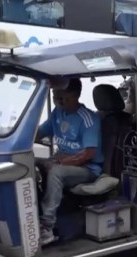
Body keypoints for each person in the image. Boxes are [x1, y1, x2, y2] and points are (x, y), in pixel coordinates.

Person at [35, 78, 103, 245]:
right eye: (55, 95)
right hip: (62, 160)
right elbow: (39, 133)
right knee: (31, 163)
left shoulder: (88, 119)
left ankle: (47, 226)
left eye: (62, 96)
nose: (58, 100)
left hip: (87, 168)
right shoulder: (57, 113)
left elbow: (88, 154)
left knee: (56, 173)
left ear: (76, 95)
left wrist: (60, 163)